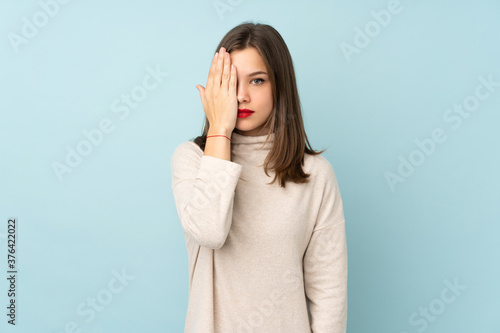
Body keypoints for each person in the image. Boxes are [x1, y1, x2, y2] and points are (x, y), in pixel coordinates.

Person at [171, 21, 347, 333]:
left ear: (280, 86)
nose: (240, 96)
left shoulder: (315, 175)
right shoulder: (193, 160)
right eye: (230, 82)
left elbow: (328, 293)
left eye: (257, 80)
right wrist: (220, 130)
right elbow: (210, 231)